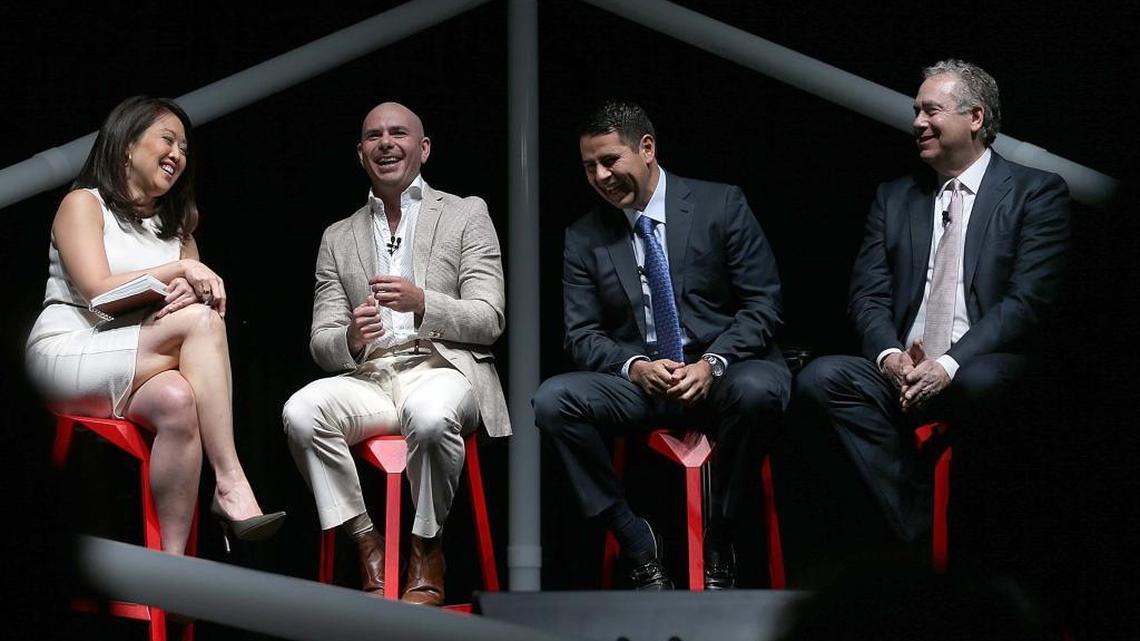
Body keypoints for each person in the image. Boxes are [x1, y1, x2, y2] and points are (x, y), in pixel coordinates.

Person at [795, 60, 1070, 546]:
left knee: (983, 383)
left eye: (931, 110)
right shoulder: (895, 197)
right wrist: (889, 357)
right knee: (823, 376)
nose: (917, 122)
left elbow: (1026, 303)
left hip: (976, 363)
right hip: (906, 367)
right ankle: (920, 522)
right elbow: (867, 295)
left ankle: (982, 539)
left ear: (976, 118)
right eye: (915, 111)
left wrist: (947, 364)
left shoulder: (1036, 192)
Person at [533, 99, 791, 590]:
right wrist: (633, 366)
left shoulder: (721, 204)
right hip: (646, 382)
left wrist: (713, 363)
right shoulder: (584, 236)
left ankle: (723, 533)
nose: (601, 176)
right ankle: (634, 539)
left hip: (724, 371)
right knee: (552, 401)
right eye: (589, 167)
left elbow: (764, 305)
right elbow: (581, 334)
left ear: (646, 148)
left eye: (611, 161)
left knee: (760, 391)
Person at [25, 96, 285, 555]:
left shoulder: (179, 226)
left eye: (185, 148)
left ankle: (173, 570)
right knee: (200, 325)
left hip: (136, 357)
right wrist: (177, 275)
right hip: (66, 352)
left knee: (179, 400)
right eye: (168, 139)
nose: (178, 155)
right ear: (127, 145)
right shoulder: (84, 204)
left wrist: (189, 285)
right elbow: (97, 291)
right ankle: (229, 480)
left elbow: (196, 298)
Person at [282, 102, 509, 606]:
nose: (386, 142)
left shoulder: (466, 213)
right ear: (361, 154)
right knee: (300, 412)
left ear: (423, 149)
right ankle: (366, 546)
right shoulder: (337, 237)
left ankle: (426, 549)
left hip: (442, 367)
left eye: (399, 133)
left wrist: (423, 302)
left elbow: (489, 318)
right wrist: (351, 338)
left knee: (430, 418)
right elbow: (322, 342)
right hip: (372, 377)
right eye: (373, 136)